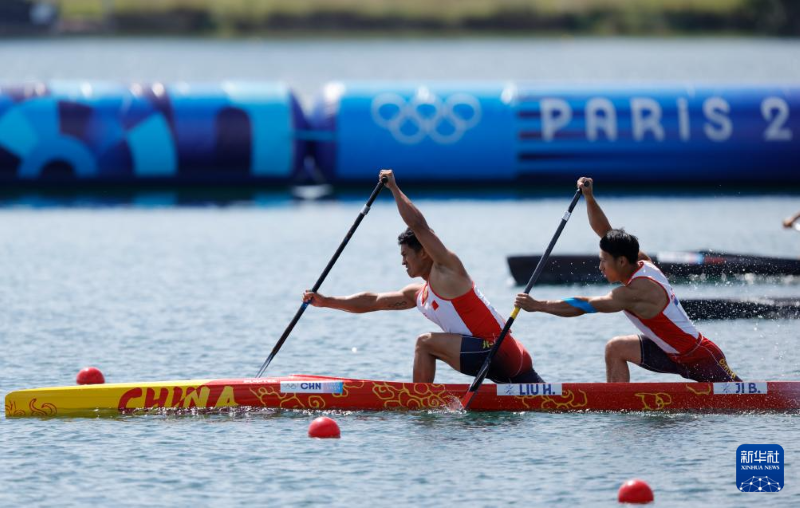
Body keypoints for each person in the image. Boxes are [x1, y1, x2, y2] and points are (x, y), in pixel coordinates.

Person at [303, 169, 543, 384]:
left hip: (499, 351)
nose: (402, 262)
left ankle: (418, 403)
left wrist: (394, 188)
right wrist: (326, 302)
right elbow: (373, 301)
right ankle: (423, 399)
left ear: (424, 252)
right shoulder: (418, 294)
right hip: (509, 360)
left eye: (406, 255)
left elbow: (418, 225)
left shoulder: (448, 270)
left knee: (424, 343)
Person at [514, 177, 742, 384]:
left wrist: (538, 305)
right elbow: (606, 232)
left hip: (699, 357)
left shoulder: (634, 292)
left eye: (604, 261)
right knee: (616, 348)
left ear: (622, 261)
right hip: (669, 353)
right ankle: (616, 404)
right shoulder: (640, 261)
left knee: (741, 396)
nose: (600, 267)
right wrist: (589, 198)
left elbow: (584, 305)